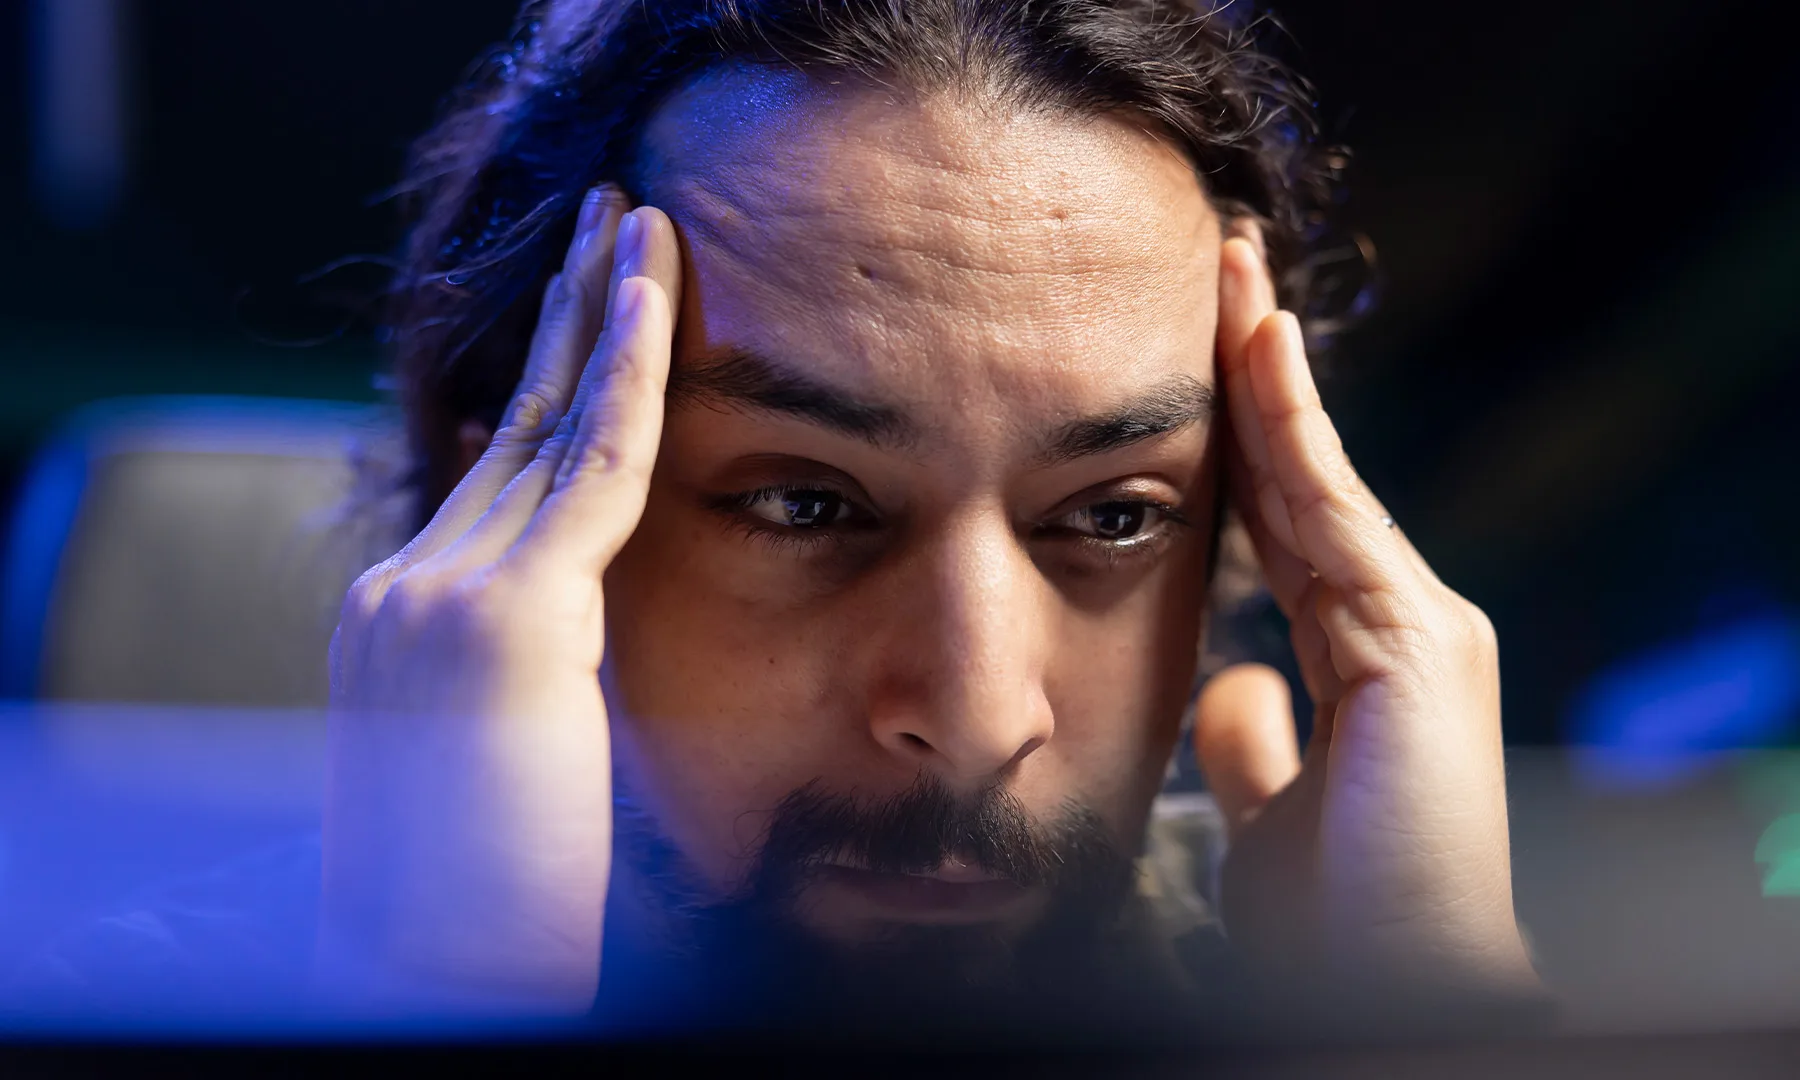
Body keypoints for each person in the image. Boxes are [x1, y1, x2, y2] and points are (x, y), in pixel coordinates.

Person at [295, 0, 1546, 1043]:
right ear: (499, 528)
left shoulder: (1330, 1001)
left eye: (1116, 515)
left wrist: (1425, 1013)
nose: (977, 719)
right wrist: (450, 1008)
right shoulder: (181, 985)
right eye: (802, 504)